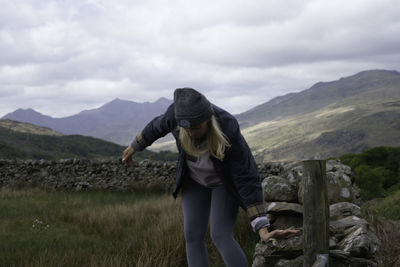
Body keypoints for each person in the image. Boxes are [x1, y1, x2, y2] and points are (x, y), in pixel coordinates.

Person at [122, 88, 299, 267]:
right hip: (194, 180)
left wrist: (262, 228)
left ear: (207, 120)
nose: (190, 133)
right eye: (186, 128)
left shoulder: (228, 126)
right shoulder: (174, 115)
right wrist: (134, 146)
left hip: (223, 183)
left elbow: (246, 176)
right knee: (192, 235)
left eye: (195, 127)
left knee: (220, 235)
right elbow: (155, 127)